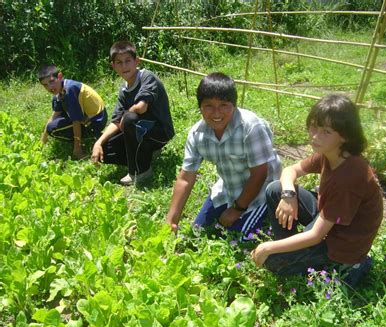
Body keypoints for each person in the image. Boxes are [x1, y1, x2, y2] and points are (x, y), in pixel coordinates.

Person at [251, 94, 383, 288]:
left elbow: (316, 236)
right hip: (332, 219)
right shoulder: (329, 153)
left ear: (345, 136)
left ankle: (352, 266)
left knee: (272, 261)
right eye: (313, 126)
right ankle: (290, 246)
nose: (315, 135)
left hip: (344, 242)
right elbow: (291, 170)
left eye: (326, 131)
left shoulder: (349, 176)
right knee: (275, 190)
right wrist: (288, 196)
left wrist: (268, 247)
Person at [166, 72, 281, 238]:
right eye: (209, 106)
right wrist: (172, 220)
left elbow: (260, 174)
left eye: (223, 105)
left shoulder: (250, 126)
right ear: (200, 107)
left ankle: (261, 213)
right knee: (198, 231)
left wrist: (237, 209)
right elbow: (186, 178)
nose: (216, 113)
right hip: (228, 187)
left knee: (238, 238)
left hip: (262, 189)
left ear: (234, 105)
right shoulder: (197, 134)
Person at [91, 41, 174, 185]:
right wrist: (98, 143)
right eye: (119, 62)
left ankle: (141, 171)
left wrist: (125, 117)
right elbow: (116, 121)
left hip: (159, 133)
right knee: (105, 148)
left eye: (128, 61)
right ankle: (146, 154)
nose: (124, 66)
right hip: (141, 130)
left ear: (136, 61)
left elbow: (141, 107)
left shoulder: (147, 77)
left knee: (129, 118)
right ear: (113, 66)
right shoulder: (124, 90)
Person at [38, 65, 107, 160]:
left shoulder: (69, 90)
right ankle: (82, 136)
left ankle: (91, 136)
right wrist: (43, 140)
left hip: (95, 122)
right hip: (87, 116)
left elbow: (76, 121)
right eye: (45, 85)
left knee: (52, 129)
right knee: (55, 120)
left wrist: (77, 149)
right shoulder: (60, 90)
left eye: (51, 81)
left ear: (59, 76)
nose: (50, 87)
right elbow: (55, 115)